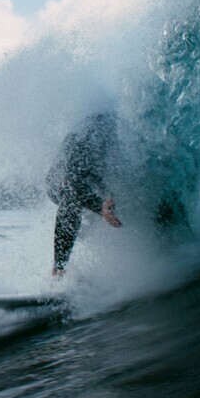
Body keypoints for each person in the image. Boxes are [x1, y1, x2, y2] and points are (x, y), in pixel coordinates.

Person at [46, 111, 122, 276]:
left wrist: (108, 197)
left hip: (87, 178)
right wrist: (101, 207)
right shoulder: (90, 137)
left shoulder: (123, 136)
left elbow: (102, 175)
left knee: (99, 211)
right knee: (72, 200)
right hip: (59, 181)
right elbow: (74, 180)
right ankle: (58, 270)